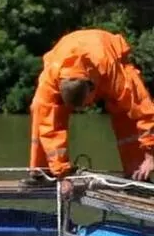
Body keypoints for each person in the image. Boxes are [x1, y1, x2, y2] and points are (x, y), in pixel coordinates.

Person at [22, 29, 154, 197]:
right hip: (65, 54)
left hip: (105, 55)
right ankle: (42, 172)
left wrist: (150, 155)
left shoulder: (114, 72)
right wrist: (62, 175)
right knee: (40, 109)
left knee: (126, 113)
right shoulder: (50, 80)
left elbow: (145, 109)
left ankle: (137, 175)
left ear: (92, 87)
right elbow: (50, 128)